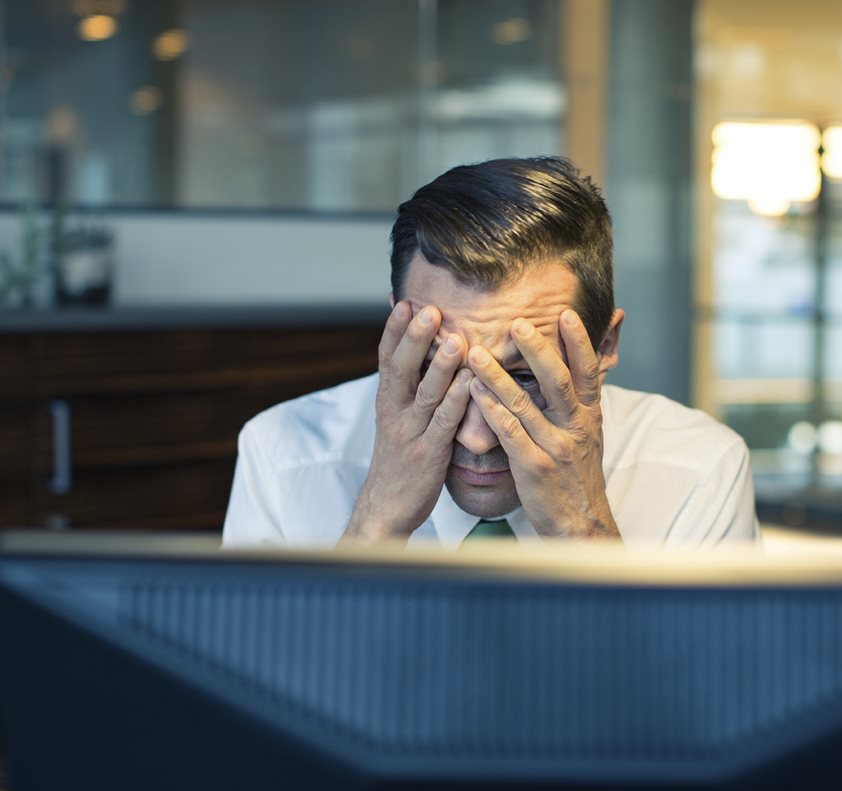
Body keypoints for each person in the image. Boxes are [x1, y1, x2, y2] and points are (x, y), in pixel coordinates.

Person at [223, 157, 758, 547]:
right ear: (395, 335)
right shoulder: (284, 456)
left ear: (605, 346)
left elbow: (703, 702)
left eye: (525, 379)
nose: (479, 438)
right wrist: (377, 522)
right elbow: (248, 697)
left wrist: (583, 530)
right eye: (440, 371)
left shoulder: (699, 468)